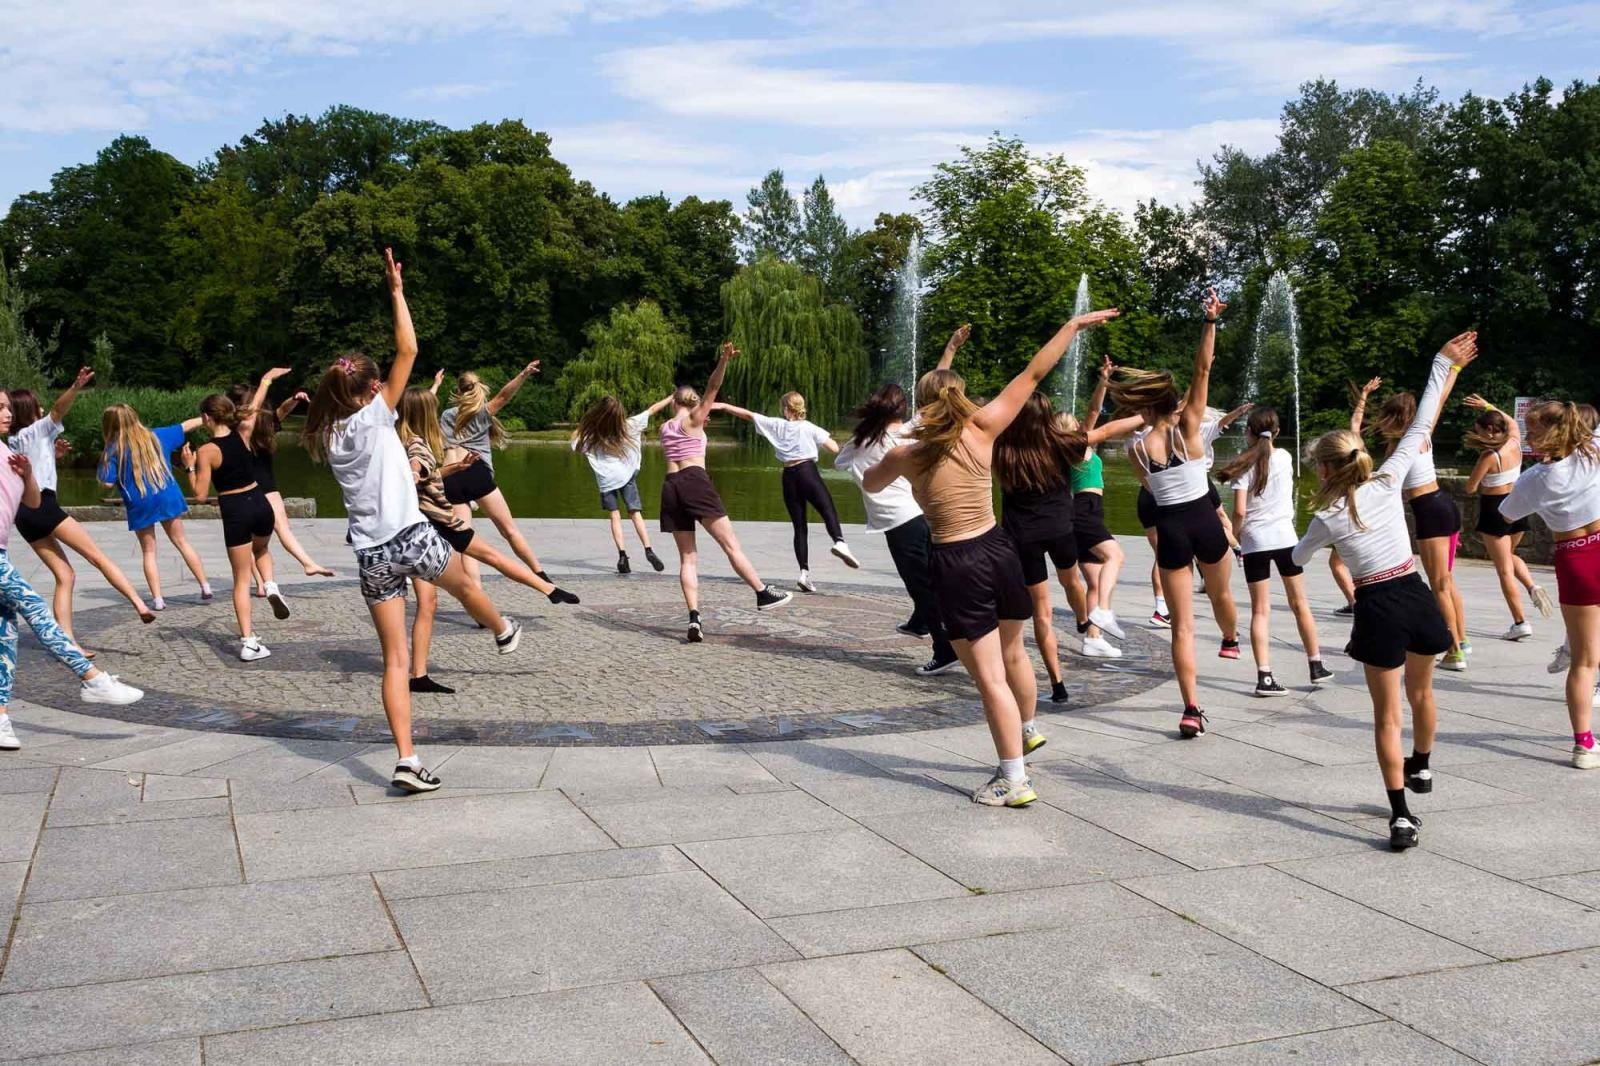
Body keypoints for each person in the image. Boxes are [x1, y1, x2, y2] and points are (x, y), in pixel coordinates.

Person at [864, 307, 1120, 807]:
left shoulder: (907, 453)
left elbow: (871, 483)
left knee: (988, 679)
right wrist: (1071, 326)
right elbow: (1033, 373)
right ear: (961, 397)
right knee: (1013, 654)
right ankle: (1025, 731)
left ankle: (1012, 778)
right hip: (1000, 549)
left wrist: (899, 447)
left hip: (956, 560)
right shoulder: (984, 428)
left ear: (922, 405)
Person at [302, 248, 524, 794]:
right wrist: (397, 292)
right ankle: (502, 630)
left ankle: (406, 759)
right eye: (379, 385)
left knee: (395, 661)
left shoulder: (329, 433)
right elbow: (409, 348)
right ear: (372, 391)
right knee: (466, 583)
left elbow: (377, 378)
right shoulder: (375, 418)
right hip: (409, 536)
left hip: (370, 554)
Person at [1293, 332, 1478, 849]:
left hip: (1376, 606)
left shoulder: (1326, 516)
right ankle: (1423, 764)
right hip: (1415, 595)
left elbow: (1297, 559)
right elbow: (1423, 422)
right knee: (1423, 694)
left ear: (1325, 469)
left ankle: (1400, 816)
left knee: (1386, 716)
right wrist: (1443, 364)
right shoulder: (1389, 480)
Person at [1111, 290, 1241, 738]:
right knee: (1221, 596)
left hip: (1170, 527)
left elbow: (1152, 489)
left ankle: (1190, 709)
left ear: (1143, 406)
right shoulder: (1189, 428)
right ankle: (1230, 639)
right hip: (1204, 519)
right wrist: (1210, 321)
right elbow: (1203, 370)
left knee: (1181, 627)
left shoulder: (1135, 449)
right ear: (1173, 403)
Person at [397, 386, 580, 694]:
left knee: (428, 603)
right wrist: (413, 475)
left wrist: (453, 468)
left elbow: (426, 474)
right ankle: (536, 600)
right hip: (438, 527)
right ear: (426, 413)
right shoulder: (416, 445)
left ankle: (419, 675)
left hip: (415, 531)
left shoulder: (398, 440)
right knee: (489, 559)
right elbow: (417, 468)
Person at [0, 423, 146, 752]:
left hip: (2, 551)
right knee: (34, 606)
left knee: (5, 636)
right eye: (0, 407)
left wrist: (27, 474)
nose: (7, 413)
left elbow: (32, 501)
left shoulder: (6, 451)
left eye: (7, 406)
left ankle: (1, 718)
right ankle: (91, 678)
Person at [993, 391, 1142, 702]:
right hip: (1059, 528)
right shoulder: (1059, 443)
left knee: (1042, 614)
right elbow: (1106, 431)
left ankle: (1057, 685)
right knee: (1071, 579)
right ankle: (1083, 619)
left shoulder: (1003, 448)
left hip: (1023, 537)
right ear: (1047, 418)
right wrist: (1148, 415)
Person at [7, 369, 153, 653]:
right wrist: (75, 386)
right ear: (29, 411)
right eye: (37, 405)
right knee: (97, 556)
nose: (42, 408)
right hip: (45, 506)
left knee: (65, 575)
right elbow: (58, 410)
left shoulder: (14, 439)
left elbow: (33, 466)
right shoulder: (37, 429)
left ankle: (68, 643)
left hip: (24, 516)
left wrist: (54, 455)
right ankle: (139, 604)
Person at [660, 342, 793, 642]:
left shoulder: (665, 428)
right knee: (731, 545)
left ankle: (694, 618)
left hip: (670, 486)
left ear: (674, 403)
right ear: (693, 404)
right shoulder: (694, 420)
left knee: (687, 558)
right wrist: (723, 360)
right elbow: (713, 387)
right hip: (694, 481)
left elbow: (689, 425)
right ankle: (762, 592)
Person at [835, 381, 960, 676]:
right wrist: (949, 356)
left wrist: (860, 439)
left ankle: (945, 649)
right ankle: (920, 621)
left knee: (921, 585)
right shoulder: (904, 432)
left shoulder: (861, 440)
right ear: (901, 409)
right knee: (925, 578)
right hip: (917, 516)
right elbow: (932, 400)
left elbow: (839, 463)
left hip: (899, 521)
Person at [1501, 400, 1600, 770]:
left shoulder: (1534, 479)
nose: (1528, 435)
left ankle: (1583, 745)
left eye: (1533, 429)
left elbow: (1506, 513)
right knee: (1588, 657)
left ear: (1553, 432)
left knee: (1584, 661)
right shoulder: (1593, 452)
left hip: (1575, 557)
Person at [1220, 407, 1331, 695]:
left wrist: (1234, 537)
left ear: (1248, 432)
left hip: (1255, 542)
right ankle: (1316, 664)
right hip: (1285, 539)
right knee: (1300, 603)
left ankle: (1265, 676)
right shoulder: (1285, 457)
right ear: (1277, 432)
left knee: (1260, 610)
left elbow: (1240, 511)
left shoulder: (1243, 465)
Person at [1363, 372, 1469, 669]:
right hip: (1445, 505)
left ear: (1393, 418)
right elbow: (1439, 399)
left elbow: (1383, 482)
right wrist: (1453, 370)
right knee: (1447, 581)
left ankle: (1454, 651)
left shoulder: (1401, 447)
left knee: (1439, 585)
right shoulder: (1422, 434)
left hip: (1428, 511)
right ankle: (1462, 640)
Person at [715, 391, 859, 592]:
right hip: (807, 472)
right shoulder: (809, 427)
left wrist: (723, 406)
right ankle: (839, 541)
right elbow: (834, 448)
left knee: (799, 527)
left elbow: (748, 415)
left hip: (789, 476)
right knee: (827, 509)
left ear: (785, 408)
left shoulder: (777, 425)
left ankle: (804, 573)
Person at [180, 394, 282, 662]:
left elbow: (200, 495)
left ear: (206, 418)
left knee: (241, 580)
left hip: (236, 510)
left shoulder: (207, 451)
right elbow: (255, 407)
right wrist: (267, 382)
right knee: (261, 550)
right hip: (261, 503)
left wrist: (189, 468)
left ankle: (249, 643)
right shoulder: (243, 433)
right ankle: (270, 585)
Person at [226, 370, 336, 592]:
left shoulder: (235, 430)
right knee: (283, 529)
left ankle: (261, 584)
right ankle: (307, 562)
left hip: (245, 489)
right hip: (268, 486)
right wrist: (294, 398)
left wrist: (292, 398)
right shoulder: (265, 425)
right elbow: (282, 411)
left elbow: (281, 411)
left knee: (248, 543)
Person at [440, 363, 549, 583]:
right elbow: (503, 397)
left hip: (452, 475)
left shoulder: (447, 415)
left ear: (458, 391)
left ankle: (476, 593)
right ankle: (541, 577)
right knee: (510, 531)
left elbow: (446, 450)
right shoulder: (482, 412)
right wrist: (523, 374)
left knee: (466, 542)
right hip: (477, 471)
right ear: (479, 388)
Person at [98, 404, 212, 610]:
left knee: (149, 551)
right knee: (182, 542)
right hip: (167, 494)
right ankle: (205, 586)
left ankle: (158, 599)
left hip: (140, 500)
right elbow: (185, 426)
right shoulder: (157, 435)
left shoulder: (113, 449)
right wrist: (207, 419)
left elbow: (106, 483)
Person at [1461, 393, 1554, 639]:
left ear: (1490, 431)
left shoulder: (1489, 456)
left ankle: (1520, 622)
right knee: (1509, 556)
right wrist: (1487, 406)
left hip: (1495, 509)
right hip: (1518, 505)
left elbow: (1470, 487)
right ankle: (1532, 586)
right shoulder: (1515, 442)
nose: (1478, 435)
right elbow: (1512, 421)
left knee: (1503, 570)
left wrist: (1484, 483)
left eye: (1480, 431)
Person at [571, 395, 672, 575]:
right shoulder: (629, 425)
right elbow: (653, 409)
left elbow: (576, 444)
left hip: (606, 480)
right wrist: (672, 396)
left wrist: (585, 424)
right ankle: (648, 549)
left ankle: (622, 556)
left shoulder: (593, 435)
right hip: (626, 476)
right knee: (635, 513)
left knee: (614, 516)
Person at [1072, 356, 1130, 658]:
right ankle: (1104, 612)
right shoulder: (1075, 446)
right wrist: (1104, 380)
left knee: (1095, 581)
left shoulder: (1070, 449)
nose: (1079, 423)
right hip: (1085, 509)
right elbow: (1094, 411)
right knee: (1115, 556)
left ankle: (1092, 639)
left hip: (1083, 511)